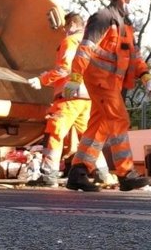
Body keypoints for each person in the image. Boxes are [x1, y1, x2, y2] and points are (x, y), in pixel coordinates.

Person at [63, 0, 151, 192]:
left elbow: (135, 56)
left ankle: (78, 172)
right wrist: (75, 76)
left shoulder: (126, 25)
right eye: (134, 1)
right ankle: (126, 173)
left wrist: (146, 77)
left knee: (100, 126)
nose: (136, 7)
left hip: (111, 83)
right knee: (119, 120)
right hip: (101, 80)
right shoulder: (103, 18)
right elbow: (85, 48)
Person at [27, 11, 109, 187]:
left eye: (65, 28)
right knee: (88, 137)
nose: (64, 31)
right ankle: (102, 173)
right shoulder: (94, 43)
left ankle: (48, 175)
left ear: (71, 25)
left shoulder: (71, 41)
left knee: (54, 132)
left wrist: (42, 80)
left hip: (69, 98)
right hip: (88, 98)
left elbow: (64, 69)